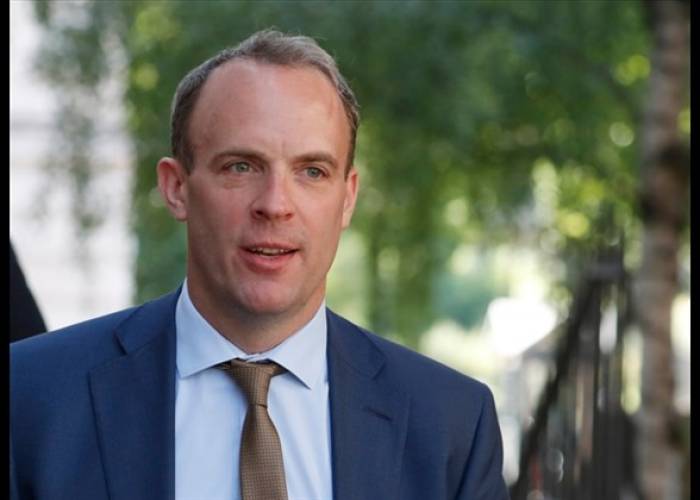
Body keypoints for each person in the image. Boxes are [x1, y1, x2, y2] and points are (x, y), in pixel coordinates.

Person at [10, 29, 509, 500]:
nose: (275, 204)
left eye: (312, 171)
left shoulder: (451, 425)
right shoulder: (30, 398)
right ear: (176, 188)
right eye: (241, 166)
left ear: (348, 198)